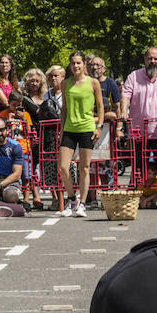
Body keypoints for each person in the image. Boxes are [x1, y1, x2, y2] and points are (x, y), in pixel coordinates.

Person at [58, 51, 104, 217]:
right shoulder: (65, 84)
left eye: (79, 63)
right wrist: (61, 130)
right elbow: (64, 109)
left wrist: (99, 126)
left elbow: (100, 106)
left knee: (84, 168)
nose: (76, 66)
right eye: (73, 63)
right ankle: (72, 199)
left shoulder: (93, 83)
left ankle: (82, 204)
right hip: (70, 129)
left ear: (84, 64)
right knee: (63, 167)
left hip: (87, 128)